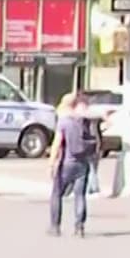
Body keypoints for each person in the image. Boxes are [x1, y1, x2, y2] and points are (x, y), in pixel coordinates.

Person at [48, 92, 97, 237]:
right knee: (80, 195)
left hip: (66, 163)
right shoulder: (84, 121)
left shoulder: (64, 122)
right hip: (83, 163)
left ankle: (55, 226)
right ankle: (79, 227)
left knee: (57, 194)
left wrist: (51, 163)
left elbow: (57, 144)